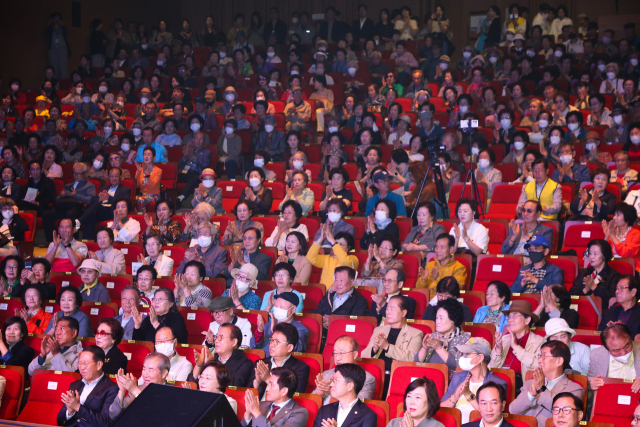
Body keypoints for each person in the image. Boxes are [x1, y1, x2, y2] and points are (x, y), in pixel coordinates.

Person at [509, 341, 584, 427]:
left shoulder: (574, 389)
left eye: (544, 356)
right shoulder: (529, 383)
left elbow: (567, 416)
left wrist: (542, 390)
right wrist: (531, 394)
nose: (540, 360)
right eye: (540, 356)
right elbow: (512, 410)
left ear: (559, 361)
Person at [440, 338, 509, 423]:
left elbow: (492, 414)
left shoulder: (497, 383)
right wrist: (454, 397)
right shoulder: (458, 377)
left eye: (467, 353)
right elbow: (441, 408)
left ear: (480, 358)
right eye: (462, 354)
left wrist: (468, 394)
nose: (462, 357)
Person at [57, 345, 119, 427]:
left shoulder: (111, 388)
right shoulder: (75, 385)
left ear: (99, 365)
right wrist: (70, 412)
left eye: (85, 363)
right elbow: (60, 421)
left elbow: (106, 422)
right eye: (79, 363)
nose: (81, 368)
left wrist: (78, 407)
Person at [489, 300, 544, 387]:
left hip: (522, 385)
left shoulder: (540, 342)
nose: (510, 320)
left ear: (527, 320)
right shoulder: (504, 339)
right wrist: (498, 350)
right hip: (498, 381)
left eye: (514, 316)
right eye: (509, 317)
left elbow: (539, 366)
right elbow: (492, 367)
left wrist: (515, 347)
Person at [362, 294, 423, 372]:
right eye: (387, 308)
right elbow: (363, 356)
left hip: (398, 374)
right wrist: (375, 349)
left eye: (392, 309)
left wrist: (387, 346)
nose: (388, 312)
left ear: (403, 313)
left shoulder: (415, 334)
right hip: (376, 372)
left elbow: (412, 358)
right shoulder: (379, 330)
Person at [248, 322, 310, 397]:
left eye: (277, 342)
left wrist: (268, 379)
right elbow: (248, 392)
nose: (272, 345)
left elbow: (293, 396)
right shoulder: (261, 363)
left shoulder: (300, 368)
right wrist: (257, 382)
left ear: (289, 347)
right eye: (271, 340)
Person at [42, 163, 96, 245]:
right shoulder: (68, 185)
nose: (76, 175)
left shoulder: (89, 185)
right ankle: (51, 241)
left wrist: (75, 195)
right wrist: (61, 196)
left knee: (70, 214)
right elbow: (56, 201)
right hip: (63, 207)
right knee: (46, 214)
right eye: (74, 173)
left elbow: (91, 200)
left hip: (79, 209)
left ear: (85, 174)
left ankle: (73, 241)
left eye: (78, 173)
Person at [312, 335, 376, 404]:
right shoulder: (327, 374)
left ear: (354, 355)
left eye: (342, 353)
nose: (337, 358)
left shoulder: (367, 379)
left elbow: (359, 405)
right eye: (335, 353)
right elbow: (312, 404)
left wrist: (332, 392)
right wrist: (320, 393)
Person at [109, 353, 171, 419]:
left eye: (150, 370)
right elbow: (113, 415)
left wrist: (134, 390)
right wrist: (122, 391)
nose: (145, 375)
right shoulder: (139, 388)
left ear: (164, 373)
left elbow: (153, 414)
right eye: (144, 369)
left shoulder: (171, 393)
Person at [313, 363, 377, 427]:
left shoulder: (367, 416)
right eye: (332, 380)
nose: (331, 384)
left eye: (336, 380)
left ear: (350, 386)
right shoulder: (324, 410)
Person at [312, 267, 369, 331]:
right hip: (322, 334)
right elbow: (316, 312)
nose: (338, 283)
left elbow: (356, 323)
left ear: (352, 282)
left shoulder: (359, 301)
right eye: (336, 279)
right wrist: (321, 319)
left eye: (341, 280)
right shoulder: (329, 296)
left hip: (343, 336)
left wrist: (334, 321)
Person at [253, 292, 309, 356]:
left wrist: (276, 332)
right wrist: (260, 332)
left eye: (281, 307)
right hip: (263, 362)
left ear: (293, 309)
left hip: (285, 364)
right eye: (276, 306)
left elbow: (298, 349)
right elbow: (253, 347)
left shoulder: (301, 329)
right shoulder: (267, 325)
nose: (278, 309)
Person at [588, 323, 640, 390]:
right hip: (609, 394)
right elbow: (590, 377)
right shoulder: (597, 355)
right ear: (607, 350)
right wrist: (592, 383)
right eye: (616, 350)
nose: (623, 353)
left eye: (627, 346)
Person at [202, 323, 254, 387]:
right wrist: (200, 366)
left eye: (221, 337)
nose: (216, 341)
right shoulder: (211, 358)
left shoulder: (245, 363)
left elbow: (234, 385)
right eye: (216, 337)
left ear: (234, 342)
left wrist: (211, 367)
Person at [570, 239, 620, 305]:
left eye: (595, 254)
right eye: (590, 253)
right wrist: (585, 290)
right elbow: (571, 293)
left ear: (604, 256)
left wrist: (594, 287)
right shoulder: (584, 272)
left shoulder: (614, 275)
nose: (591, 257)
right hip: (581, 307)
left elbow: (613, 300)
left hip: (601, 311)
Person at [603, 203, 640, 273]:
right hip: (612, 267)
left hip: (630, 269)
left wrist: (613, 236)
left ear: (627, 218)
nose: (614, 217)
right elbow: (602, 253)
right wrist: (606, 237)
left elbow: (626, 254)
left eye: (618, 215)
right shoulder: (612, 232)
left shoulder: (636, 234)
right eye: (614, 215)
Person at [135, 146, 163, 211]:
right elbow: (136, 185)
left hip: (154, 195)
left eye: (149, 154)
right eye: (144, 154)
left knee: (140, 200)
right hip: (142, 195)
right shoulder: (139, 170)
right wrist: (139, 173)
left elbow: (152, 185)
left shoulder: (158, 170)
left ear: (154, 158)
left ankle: (143, 218)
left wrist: (146, 173)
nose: (146, 157)